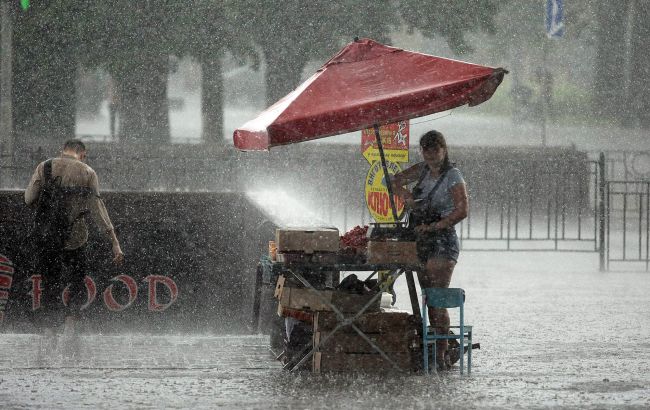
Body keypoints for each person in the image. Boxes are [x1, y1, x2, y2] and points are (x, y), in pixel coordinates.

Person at [24, 139, 124, 340]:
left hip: (49, 236)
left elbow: (28, 199)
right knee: (77, 280)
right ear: (83, 154)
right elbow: (97, 210)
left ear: (62, 151)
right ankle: (71, 322)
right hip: (76, 236)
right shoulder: (87, 172)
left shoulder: (45, 167)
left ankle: (50, 329)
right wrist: (114, 242)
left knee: (50, 281)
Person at [391, 130, 468, 370]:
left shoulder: (453, 176)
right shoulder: (422, 170)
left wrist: (436, 226)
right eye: (426, 150)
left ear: (444, 150)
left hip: (442, 241)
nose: (431, 154)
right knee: (427, 298)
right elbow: (392, 181)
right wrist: (406, 197)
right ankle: (435, 344)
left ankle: (441, 353)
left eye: (435, 149)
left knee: (436, 298)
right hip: (421, 240)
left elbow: (462, 210)